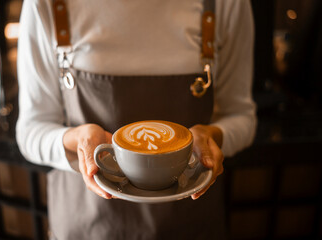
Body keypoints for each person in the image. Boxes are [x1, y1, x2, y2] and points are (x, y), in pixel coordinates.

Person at [16, 0, 257, 239]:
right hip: (87, 226)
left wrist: (213, 137)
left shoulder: (225, 4)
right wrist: (77, 140)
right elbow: (30, 130)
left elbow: (241, 117)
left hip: (190, 225)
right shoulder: (46, 4)